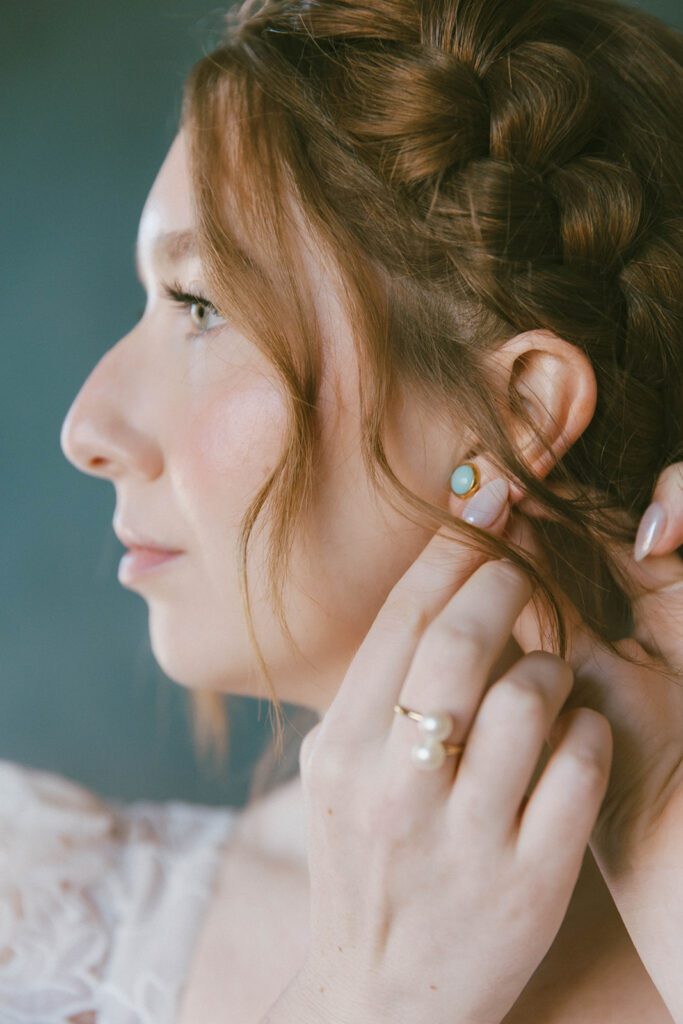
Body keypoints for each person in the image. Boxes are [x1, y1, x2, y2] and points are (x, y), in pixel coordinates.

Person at [2, 0, 682, 1020]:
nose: (87, 426)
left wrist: (660, 803)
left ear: (521, 409)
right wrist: (367, 998)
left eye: (202, 305)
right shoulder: (41, 914)